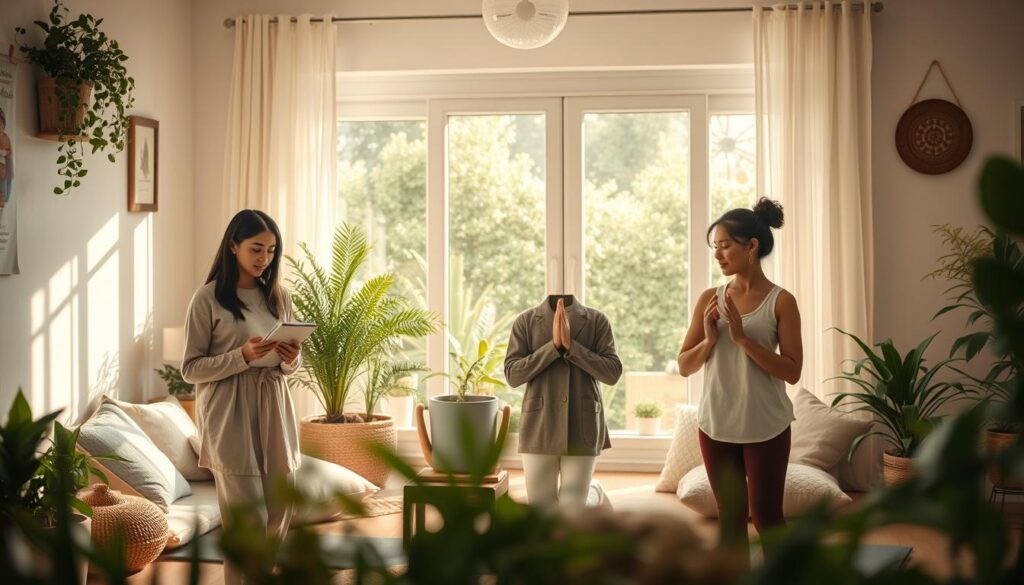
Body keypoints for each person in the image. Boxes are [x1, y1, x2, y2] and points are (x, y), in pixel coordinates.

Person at [181, 209, 303, 585]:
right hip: (228, 413)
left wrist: (291, 359)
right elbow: (190, 369)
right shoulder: (207, 299)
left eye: (270, 250)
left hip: (274, 406)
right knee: (246, 520)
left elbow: (291, 363)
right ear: (233, 245)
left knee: (281, 508)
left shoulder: (278, 297)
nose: (263, 258)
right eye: (255, 248)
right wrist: (242, 356)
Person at [676, 197, 803, 555]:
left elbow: (792, 371)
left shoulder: (781, 301)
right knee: (729, 519)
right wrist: (709, 342)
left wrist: (744, 339)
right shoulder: (709, 300)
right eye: (714, 247)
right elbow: (685, 364)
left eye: (725, 246)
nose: (718, 255)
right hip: (716, 423)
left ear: (752, 246)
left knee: (766, 518)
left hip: (766, 424)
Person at [0, 106, 12, 208]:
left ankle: (2, 201)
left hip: (4, 167)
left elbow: (9, 150)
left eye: (1, 123)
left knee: (5, 189)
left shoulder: (6, 137)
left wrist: (5, 152)